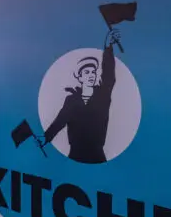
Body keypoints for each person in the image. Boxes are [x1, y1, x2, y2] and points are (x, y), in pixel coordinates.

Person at [43, 29, 121, 164]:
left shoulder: (102, 94)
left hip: (97, 154)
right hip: (75, 154)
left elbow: (108, 75)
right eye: (87, 72)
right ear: (79, 77)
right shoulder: (71, 100)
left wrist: (108, 48)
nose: (91, 75)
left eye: (93, 72)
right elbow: (59, 122)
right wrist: (45, 138)